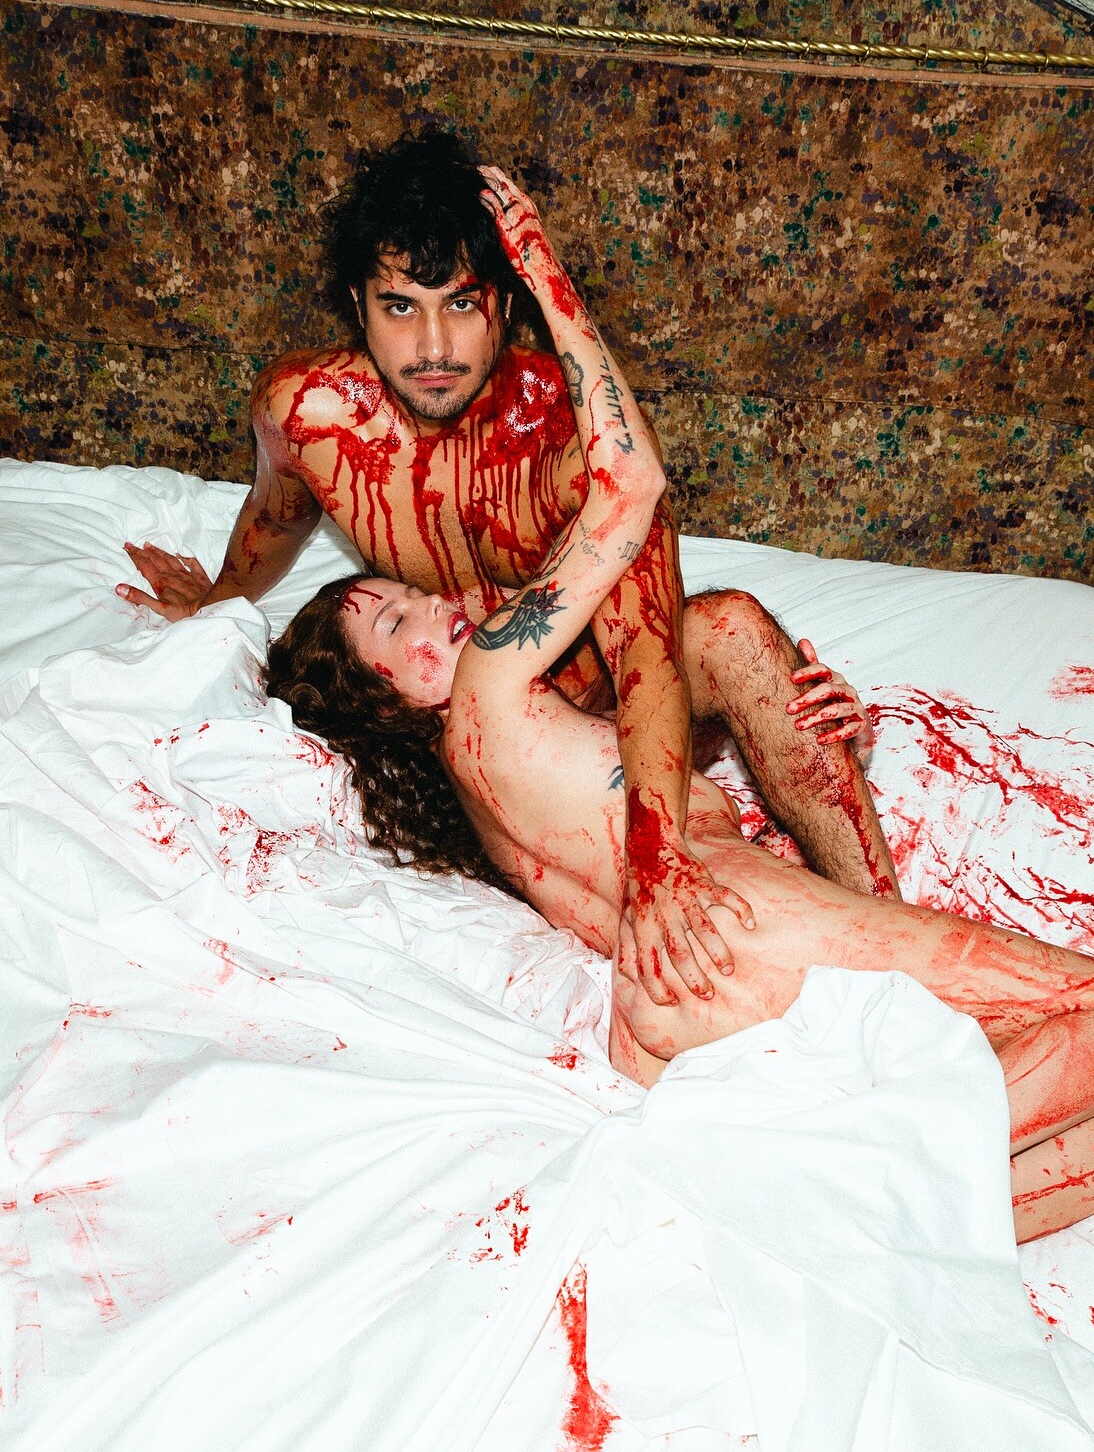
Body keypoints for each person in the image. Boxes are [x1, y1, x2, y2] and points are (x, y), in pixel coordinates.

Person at [266, 172, 1094, 1245]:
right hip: (732, 930)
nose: (439, 602)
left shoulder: (505, 756)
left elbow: (653, 692)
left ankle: (844, 1238)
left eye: (464, 302)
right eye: (395, 620)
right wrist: (551, 282)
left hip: (679, 995)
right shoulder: (489, 683)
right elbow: (631, 484)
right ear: (389, 701)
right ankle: (840, 1185)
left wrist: (827, 739)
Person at [116, 130, 898, 1011]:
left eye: (463, 303)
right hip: (477, 749)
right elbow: (277, 515)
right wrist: (220, 603)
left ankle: (892, 940)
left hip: (597, 701)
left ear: (508, 302)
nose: (433, 346)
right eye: (400, 308)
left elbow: (645, 655)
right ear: (357, 306)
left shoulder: (570, 435)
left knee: (739, 635)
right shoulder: (310, 416)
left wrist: (659, 850)